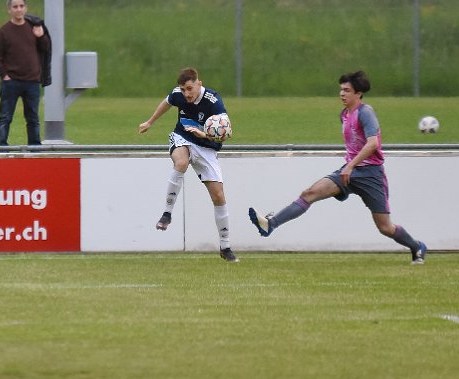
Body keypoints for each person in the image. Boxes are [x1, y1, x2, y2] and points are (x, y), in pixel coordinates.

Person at [247, 70, 427, 264]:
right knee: (309, 193)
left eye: (347, 90)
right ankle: (270, 225)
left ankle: (417, 246)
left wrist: (351, 165)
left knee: (385, 228)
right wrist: (349, 167)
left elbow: (373, 144)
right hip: (348, 172)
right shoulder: (344, 115)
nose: (342, 94)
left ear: (358, 93)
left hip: (371, 175)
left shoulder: (365, 113)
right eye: (341, 90)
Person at [138, 67, 238, 263]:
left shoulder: (213, 101)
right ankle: (167, 213)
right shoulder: (178, 94)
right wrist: (150, 122)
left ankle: (225, 247)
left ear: (199, 84)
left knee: (219, 196)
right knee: (181, 162)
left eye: (190, 89)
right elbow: (167, 102)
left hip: (206, 147)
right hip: (182, 137)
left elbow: (227, 133)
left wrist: (205, 134)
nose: (186, 94)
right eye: (183, 89)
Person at [0, 0, 49, 146]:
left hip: (32, 81)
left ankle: (34, 148)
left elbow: (46, 48)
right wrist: (4, 75)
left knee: (33, 118)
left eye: (21, 6)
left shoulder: (34, 27)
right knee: (5, 117)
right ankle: (3, 147)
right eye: (15, 7)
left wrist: (41, 36)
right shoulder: (3, 32)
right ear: (9, 10)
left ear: (26, 8)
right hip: (11, 82)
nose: (19, 9)